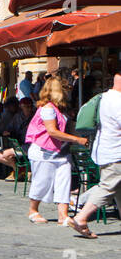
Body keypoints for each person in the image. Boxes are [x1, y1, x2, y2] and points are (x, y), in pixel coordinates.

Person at [25, 77, 88, 226]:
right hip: (44, 152)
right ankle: (33, 210)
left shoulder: (60, 109)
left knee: (64, 182)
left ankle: (63, 215)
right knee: (42, 182)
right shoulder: (47, 108)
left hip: (61, 152)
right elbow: (52, 131)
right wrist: (76, 139)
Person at [70, 72, 121, 238]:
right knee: (107, 186)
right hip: (115, 152)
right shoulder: (118, 101)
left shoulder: (103, 97)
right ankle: (81, 217)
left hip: (103, 150)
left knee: (117, 187)